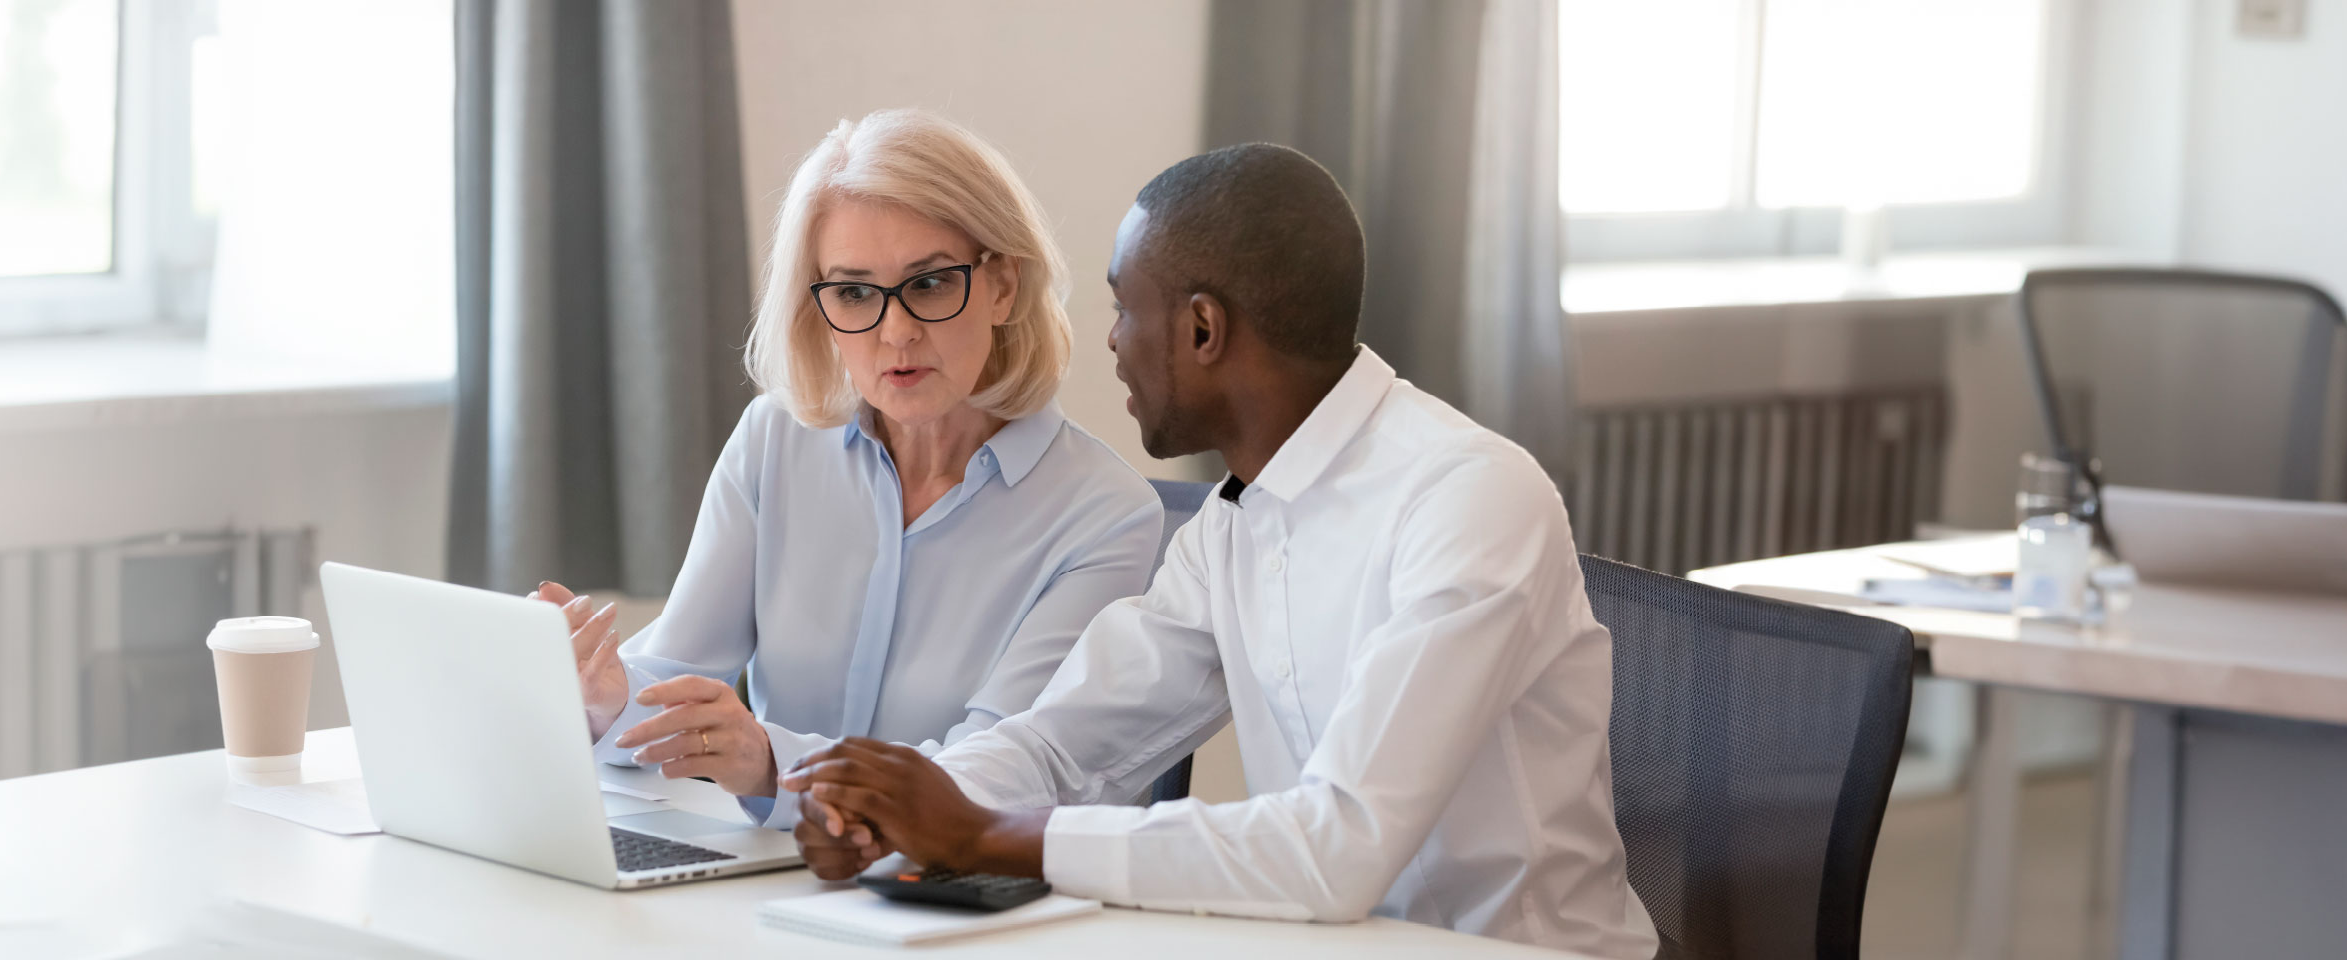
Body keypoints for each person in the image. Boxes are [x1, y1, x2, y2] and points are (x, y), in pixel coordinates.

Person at [776, 143, 1661, 959]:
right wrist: (896, 807)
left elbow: (1335, 849)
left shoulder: (1467, 498)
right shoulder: (1234, 524)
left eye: (1126, 309)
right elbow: (1063, 744)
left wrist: (976, 834)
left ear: (1202, 330)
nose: (1113, 342)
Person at [529, 108, 1162, 830]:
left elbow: (997, 776)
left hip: (958, 907)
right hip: (770, 879)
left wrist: (771, 762)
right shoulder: (775, 442)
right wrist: (606, 693)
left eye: (929, 284)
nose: (896, 331)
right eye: (855, 292)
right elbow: (680, 674)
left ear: (1002, 286)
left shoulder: (1108, 515)